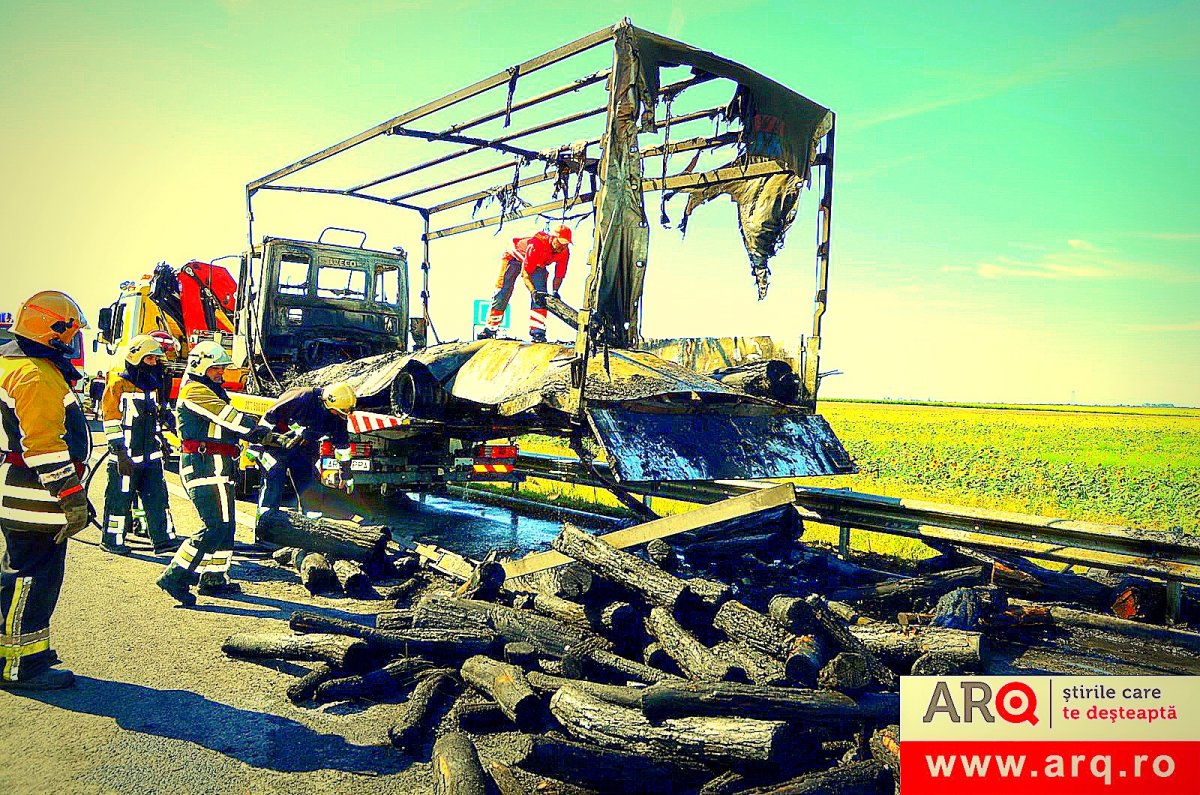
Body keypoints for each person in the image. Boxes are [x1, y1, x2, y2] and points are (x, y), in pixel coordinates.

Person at [0, 291, 90, 690]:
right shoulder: (35, 374)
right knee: (32, 577)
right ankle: (20, 665)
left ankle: (24, 652)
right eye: (69, 332)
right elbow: (44, 445)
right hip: (35, 494)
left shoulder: (14, 364)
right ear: (52, 330)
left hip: (23, 490)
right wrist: (71, 497)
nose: (72, 340)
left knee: (23, 572)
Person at [156, 341, 255, 605]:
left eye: (222, 368)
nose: (221, 373)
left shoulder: (210, 390)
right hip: (204, 466)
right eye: (216, 368)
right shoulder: (195, 391)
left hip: (217, 466)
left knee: (227, 526)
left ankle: (214, 578)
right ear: (201, 366)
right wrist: (263, 430)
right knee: (215, 525)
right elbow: (230, 418)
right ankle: (175, 575)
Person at [99, 334, 179, 556]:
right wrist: (119, 453)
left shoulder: (152, 386)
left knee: (158, 498)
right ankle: (112, 540)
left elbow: (156, 415)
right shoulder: (118, 384)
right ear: (136, 358)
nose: (154, 364)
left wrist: (164, 434)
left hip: (150, 456)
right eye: (150, 359)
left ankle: (163, 540)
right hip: (126, 457)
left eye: (155, 359)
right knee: (119, 499)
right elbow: (111, 421)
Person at [252, 382, 356, 542]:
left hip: (304, 451)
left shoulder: (338, 416)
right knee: (272, 488)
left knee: (310, 489)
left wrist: (346, 474)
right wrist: (256, 447)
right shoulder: (301, 397)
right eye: (338, 412)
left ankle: (311, 537)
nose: (339, 416)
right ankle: (265, 535)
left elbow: (342, 447)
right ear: (328, 402)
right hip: (276, 447)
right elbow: (269, 418)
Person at [478, 225, 572, 343]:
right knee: (504, 290)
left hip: (537, 264)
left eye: (566, 244)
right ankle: (490, 328)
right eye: (560, 243)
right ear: (553, 238)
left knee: (542, 295)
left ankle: (538, 332)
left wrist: (555, 291)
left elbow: (559, 274)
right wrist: (533, 292)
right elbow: (526, 274)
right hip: (513, 258)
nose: (562, 247)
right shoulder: (536, 245)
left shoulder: (564, 252)